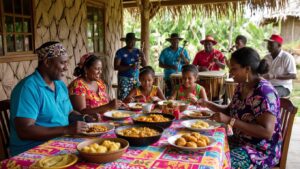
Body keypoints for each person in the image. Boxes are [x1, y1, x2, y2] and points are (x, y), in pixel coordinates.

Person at [199, 47, 282, 168]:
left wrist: (229, 121)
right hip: (240, 141)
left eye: (234, 69)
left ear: (247, 69)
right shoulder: (241, 86)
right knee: (203, 148)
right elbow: (229, 111)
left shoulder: (264, 92)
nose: (230, 72)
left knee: (216, 162)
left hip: (261, 151)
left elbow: (266, 132)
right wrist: (207, 104)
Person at [9, 42, 91, 156]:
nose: (66, 68)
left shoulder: (60, 85)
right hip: (33, 150)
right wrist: (66, 129)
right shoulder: (28, 88)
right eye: (62, 63)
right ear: (47, 62)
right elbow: (25, 130)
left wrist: (84, 118)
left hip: (60, 142)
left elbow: (69, 113)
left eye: (67, 63)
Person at [114, 33, 146, 100]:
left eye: (133, 41)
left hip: (135, 78)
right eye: (130, 41)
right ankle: (122, 110)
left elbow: (144, 65)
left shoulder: (138, 51)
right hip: (124, 78)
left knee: (137, 96)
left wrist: (143, 56)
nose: (132, 43)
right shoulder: (120, 52)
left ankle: (135, 109)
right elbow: (116, 67)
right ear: (126, 41)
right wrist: (130, 67)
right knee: (124, 97)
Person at [159, 33, 190, 97]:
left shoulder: (183, 51)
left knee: (182, 94)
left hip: (181, 76)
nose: (175, 41)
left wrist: (183, 57)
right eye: (173, 40)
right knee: (171, 94)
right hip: (169, 77)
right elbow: (160, 64)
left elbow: (188, 63)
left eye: (177, 40)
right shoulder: (165, 51)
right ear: (170, 41)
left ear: (179, 41)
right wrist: (171, 66)